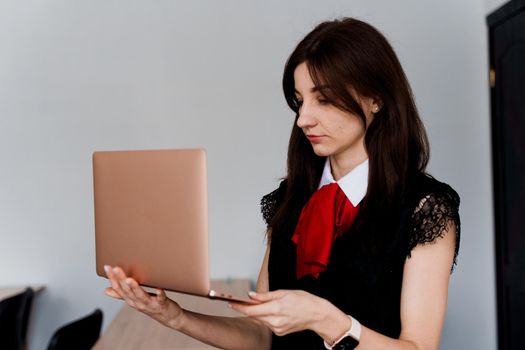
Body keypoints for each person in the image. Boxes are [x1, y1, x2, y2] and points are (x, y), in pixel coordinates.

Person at [103, 17, 460, 350]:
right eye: (300, 101)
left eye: (323, 98)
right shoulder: (290, 200)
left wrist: (330, 321)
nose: (304, 118)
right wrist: (175, 316)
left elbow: (417, 346)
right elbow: (263, 336)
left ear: (375, 99)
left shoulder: (425, 209)